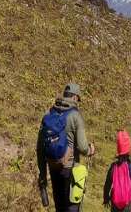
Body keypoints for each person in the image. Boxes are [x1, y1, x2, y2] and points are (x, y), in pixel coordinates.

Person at [37, 83, 95, 212]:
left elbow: (40, 147)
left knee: (59, 207)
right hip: (69, 168)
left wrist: (42, 173)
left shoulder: (49, 113)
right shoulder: (75, 116)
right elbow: (82, 147)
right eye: (78, 99)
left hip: (53, 166)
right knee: (72, 206)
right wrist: (91, 150)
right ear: (75, 97)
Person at [103, 131, 131, 212]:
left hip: (115, 203)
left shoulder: (113, 166)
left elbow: (107, 185)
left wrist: (106, 198)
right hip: (128, 204)